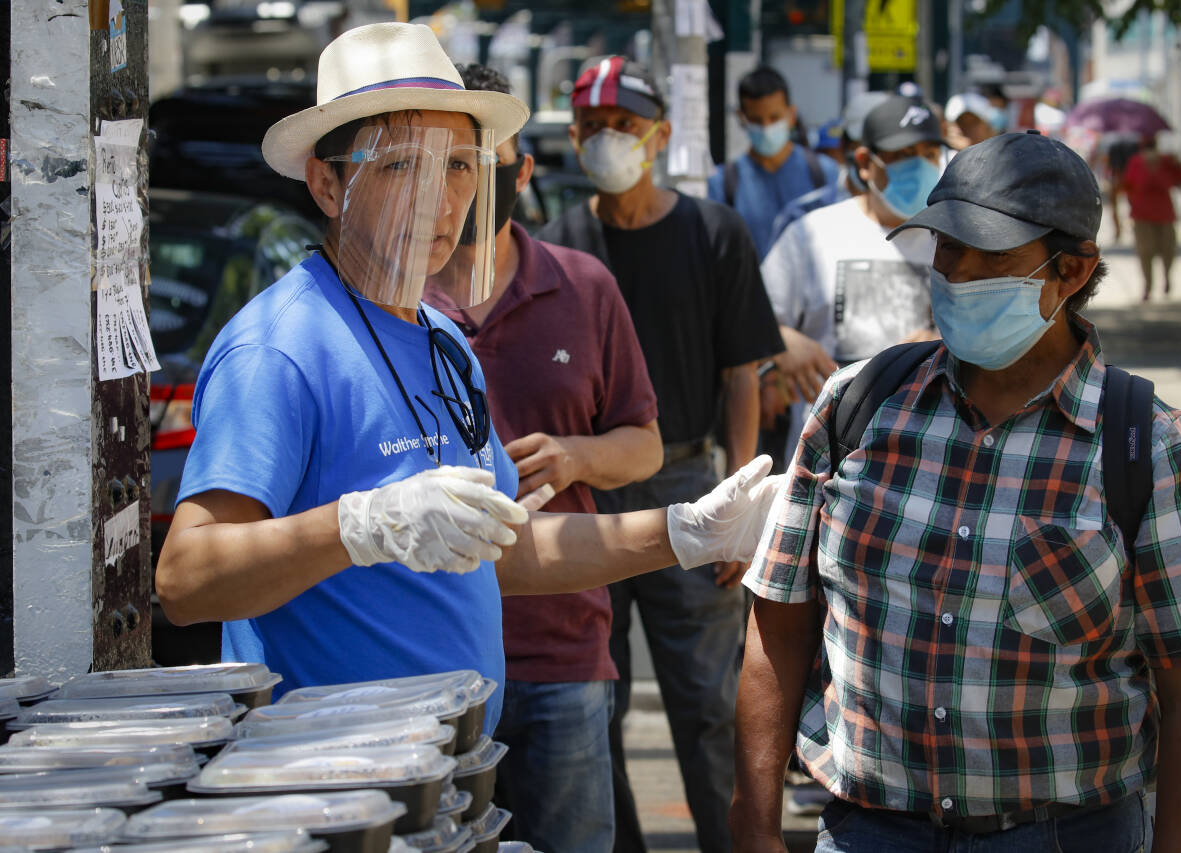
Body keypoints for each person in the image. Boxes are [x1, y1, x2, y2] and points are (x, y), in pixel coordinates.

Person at [154, 24, 782, 742]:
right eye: (399, 168)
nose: (440, 198)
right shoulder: (281, 346)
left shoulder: (441, 338)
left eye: (458, 165)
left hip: (446, 770)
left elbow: (506, 546)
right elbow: (186, 579)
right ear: (327, 183)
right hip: (326, 775)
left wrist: (684, 532)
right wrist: (360, 526)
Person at [732, 130, 1181, 853]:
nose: (955, 273)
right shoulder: (857, 406)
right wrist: (754, 815)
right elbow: (780, 618)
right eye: (948, 248)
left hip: (1064, 834)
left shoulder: (1152, 449)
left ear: (1073, 271)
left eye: (991, 257)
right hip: (867, 827)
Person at [539, 56, 785, 853]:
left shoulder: (713, 232)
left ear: (661, 135)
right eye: (593, 127)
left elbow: (742, 374)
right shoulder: (558, 247)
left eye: (624, 126)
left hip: (688, 473)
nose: (608, 141)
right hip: (587, 487)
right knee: (592, 698)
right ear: (573, 137)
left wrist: (742, 506)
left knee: (710, 701)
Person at [443, 63, 661, 853]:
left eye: (482, 164)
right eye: (448, 164)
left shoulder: (584, 286)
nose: (463, 188)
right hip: (434, 660)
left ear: (521, 171)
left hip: (565, 650)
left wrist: (575, 456)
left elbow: (644, 443)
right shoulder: (393, 304)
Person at [761, 95, 942, 460]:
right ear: (864, 162)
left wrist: (944, 341)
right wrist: (779, 342)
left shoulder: (956, 241)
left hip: (922, 457)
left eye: (930, 153)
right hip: (821, 458)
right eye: (904, 154)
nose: (920, 165)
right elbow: (747, 318)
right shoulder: (811, 235)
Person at [706, 66, 840, 256]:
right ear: (741, 118)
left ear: (791, 115)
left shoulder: (824, 172)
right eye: (756, 120)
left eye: (774, 117)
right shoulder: (722, 182)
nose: (766, 128)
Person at [768, 91, 891, 245]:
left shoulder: (915, 219)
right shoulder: (803, 217)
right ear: (843, 146)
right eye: (865, 146)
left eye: (890, 151)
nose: (876, 160)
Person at [1122, 134, 1181, 301]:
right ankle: (1150, 285)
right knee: (1153, 252)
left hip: (1157, 214)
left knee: (1160, 251)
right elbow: (1129, 187)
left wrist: (1177, 163)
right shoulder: (1138, 162)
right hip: (1150, 214)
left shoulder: (1165, 161)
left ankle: (1160, 281)